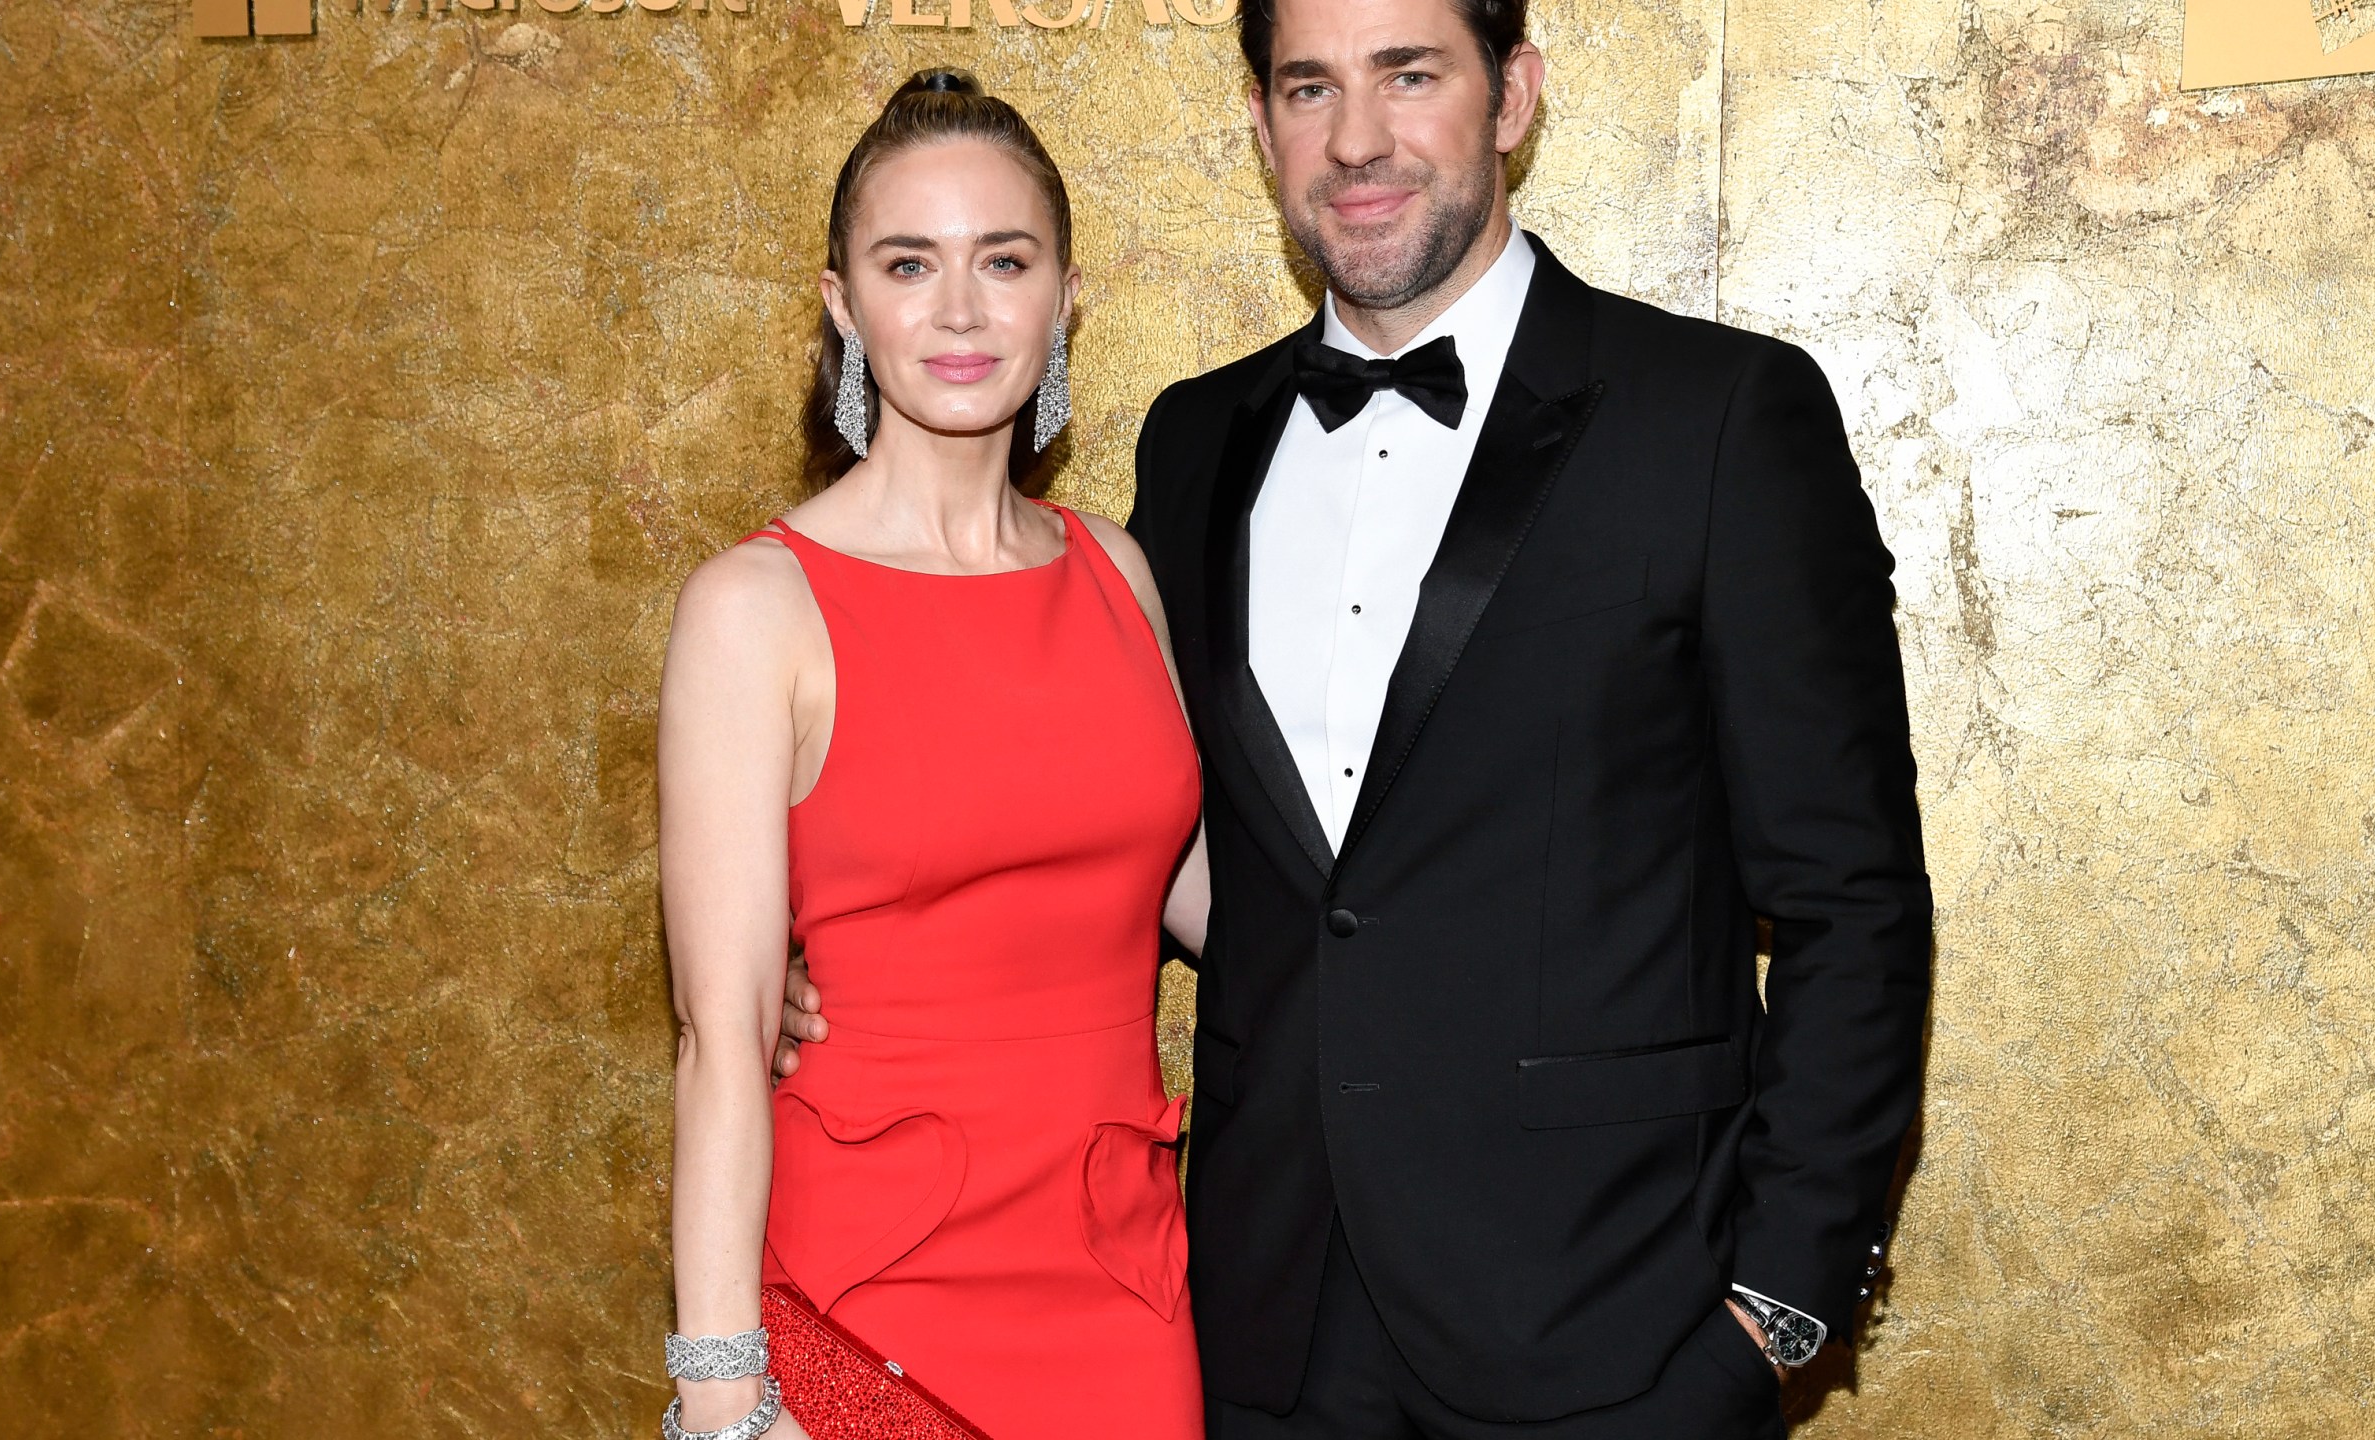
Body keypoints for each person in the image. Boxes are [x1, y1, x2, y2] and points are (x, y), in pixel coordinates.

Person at [781, 0, 1933, 1432]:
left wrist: (1774, 1316)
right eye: (1311, 87)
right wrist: (822, 962)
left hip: (1616, 1334)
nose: (1360, 138)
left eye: (1410, 74)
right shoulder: (1195, 444)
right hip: (1260, 1331)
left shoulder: (1719, 417)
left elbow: (1853, 904)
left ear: (1512, 95)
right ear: (1263, 127)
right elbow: (1114, 821)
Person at [658, 70, 1209, 1440]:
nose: (960, 312)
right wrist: (722, 1396)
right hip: (869, 1304)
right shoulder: (755, 610)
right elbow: (721, 1042)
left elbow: (1230, 906)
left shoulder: (1116, 575)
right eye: (910, 265)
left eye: (1002, 262)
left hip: (1124, 1296)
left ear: (1066, 296)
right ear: (843, 303)